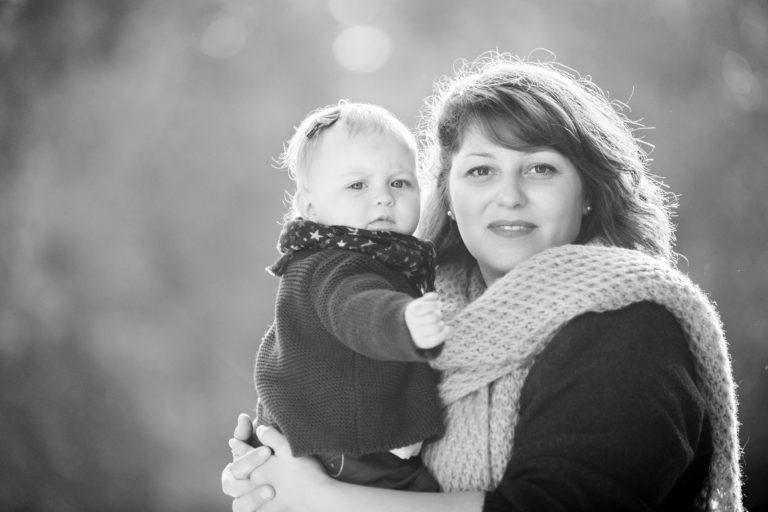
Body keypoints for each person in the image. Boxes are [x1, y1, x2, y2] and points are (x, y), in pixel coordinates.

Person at [222, 53, 744, 512]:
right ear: (445, 194)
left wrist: (321, 499)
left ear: (588, 193)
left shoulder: (630, 326)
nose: (510, 196)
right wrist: (264, 474)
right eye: (480, 171)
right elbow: (317, 400)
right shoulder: (418, 307)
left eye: (540, 169)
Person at [248, 101, 450, 492]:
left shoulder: (370, 254)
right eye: (358, 185)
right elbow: (356, 308)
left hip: (334, 438)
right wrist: (403, 322)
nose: (384, 198)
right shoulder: (336, 264)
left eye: (400, 182)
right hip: (344, 448)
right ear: (310, 206)